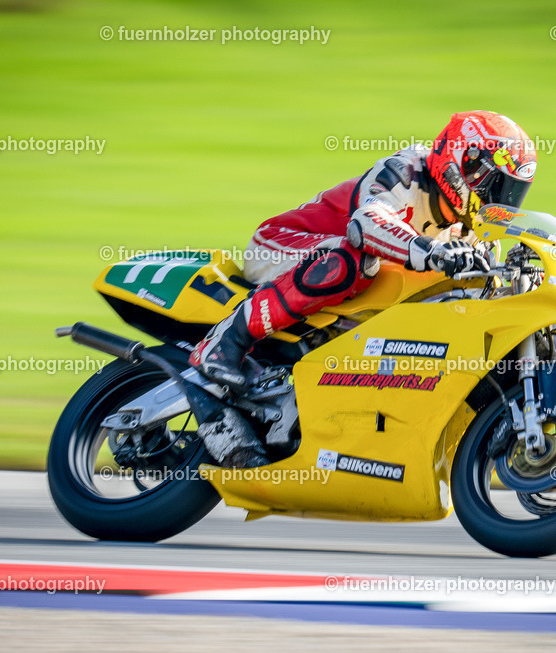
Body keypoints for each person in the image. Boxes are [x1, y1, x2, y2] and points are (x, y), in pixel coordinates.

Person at [188, 111, 537, 467]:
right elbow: (367, 225)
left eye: (512, 191)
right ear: (464, 162)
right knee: (352, 261)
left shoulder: (473, 231)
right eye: (494, 185)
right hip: (282, 246)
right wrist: (431, 251)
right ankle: (224, 342)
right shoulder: (407, 170)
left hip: (347, 297)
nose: (500, 200)